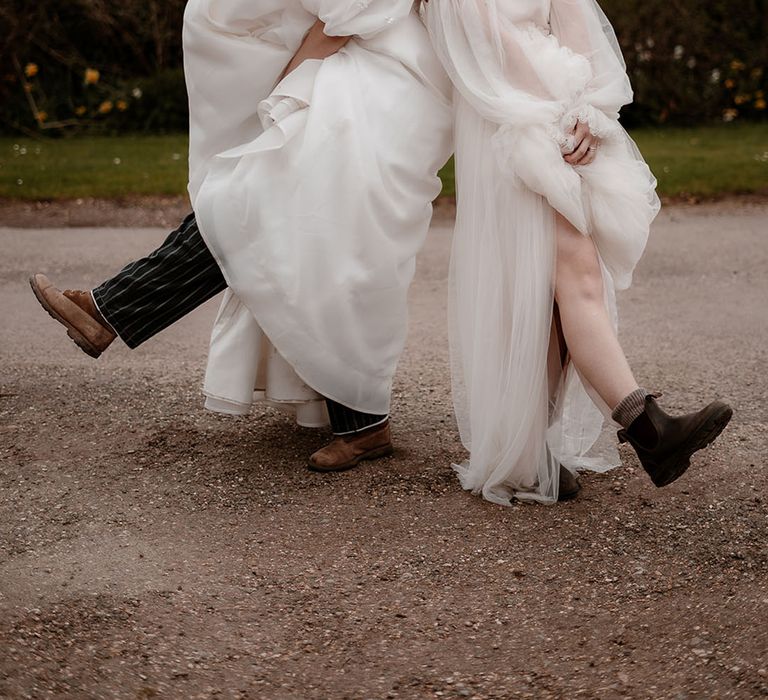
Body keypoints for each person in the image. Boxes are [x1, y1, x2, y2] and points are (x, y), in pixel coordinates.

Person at [30, 0, 453, 472]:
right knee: (312, 237)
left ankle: (109, 309)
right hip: (377, 74)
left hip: (391, 88)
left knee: (279, 216)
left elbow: (346, 15)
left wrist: (285, 82)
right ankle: (360, 421)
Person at [423, 0, 732, 504]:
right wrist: (563, 111)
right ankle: (648, 428)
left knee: (555, 300)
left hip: (557, 120)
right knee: (577, 273)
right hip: (507, 125)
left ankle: (526, 456)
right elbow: (491, 51)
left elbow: (578, 32)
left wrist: (592, 112)